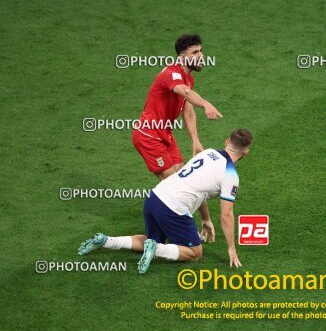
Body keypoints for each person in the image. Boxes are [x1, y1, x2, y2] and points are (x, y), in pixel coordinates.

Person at [78, 129, 253, 273]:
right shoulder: (230, 175)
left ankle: (106, 240)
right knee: (195, 252)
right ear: (246, 152)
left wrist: (206, 219)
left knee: (152, 239)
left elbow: (198, 190)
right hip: (172, 208)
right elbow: (227, 215)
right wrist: (231, 249)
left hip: (155, 196)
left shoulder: (208, 153)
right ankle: (156, 249)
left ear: (226, 141)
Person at [132, 34, 223, 180]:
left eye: (200, 50)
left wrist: (195, 139)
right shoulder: (171, 74)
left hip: (165, 134)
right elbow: (185, 92)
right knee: (174, 187)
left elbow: (188, 110)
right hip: (148, 135)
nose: (201, 55)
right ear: (181, 57)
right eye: (195, 53)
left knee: (183, 180)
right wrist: (205, 103)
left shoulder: (188, 78)